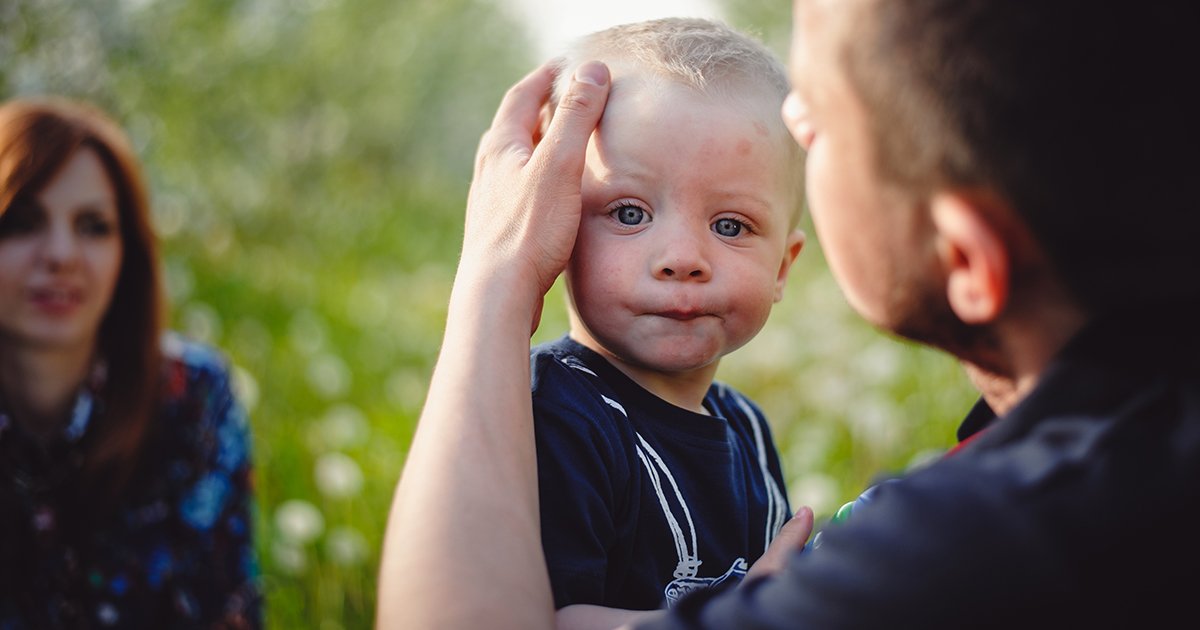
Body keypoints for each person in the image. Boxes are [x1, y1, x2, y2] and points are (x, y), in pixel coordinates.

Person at [378, 0, 1200, 627]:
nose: (682, 255)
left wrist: (492, 280)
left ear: (966, 260)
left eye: (827, 121)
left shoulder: (969, 559)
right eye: (627, 211)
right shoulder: (1113, 457)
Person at [528, 18, 806, 627]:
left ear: (783, 266)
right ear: (560, 228)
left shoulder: (747, 429)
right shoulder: (556, 411)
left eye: (730, 225)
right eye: (629, 212)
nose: (682, 257)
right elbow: (544, 618)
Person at [0, 97, 261, 629]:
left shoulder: (194, 399)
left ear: (129, 253)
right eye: (23, 222)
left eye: (93, 225)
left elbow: (228, 610)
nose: (60, 254)